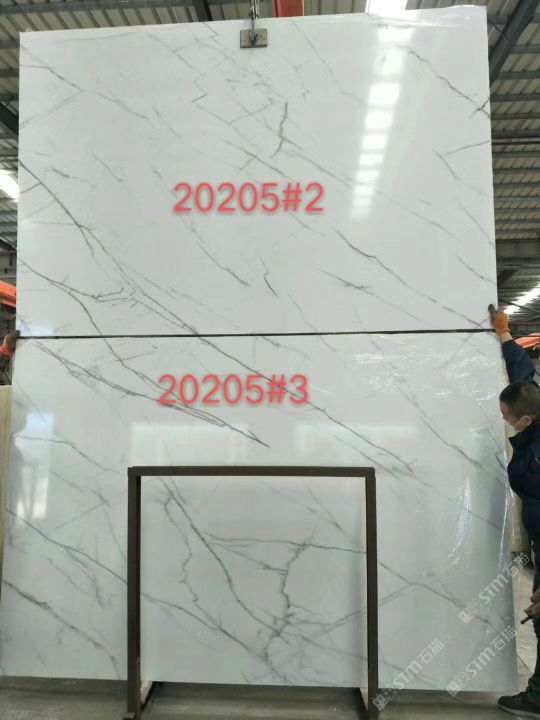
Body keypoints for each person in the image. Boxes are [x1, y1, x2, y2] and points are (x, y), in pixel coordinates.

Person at [491, 306, 540, 716]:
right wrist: (505, 335)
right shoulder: (533, 400)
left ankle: (538, 696)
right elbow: (523, 373)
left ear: (524, 420)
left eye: (507, 418)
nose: (503, 421)